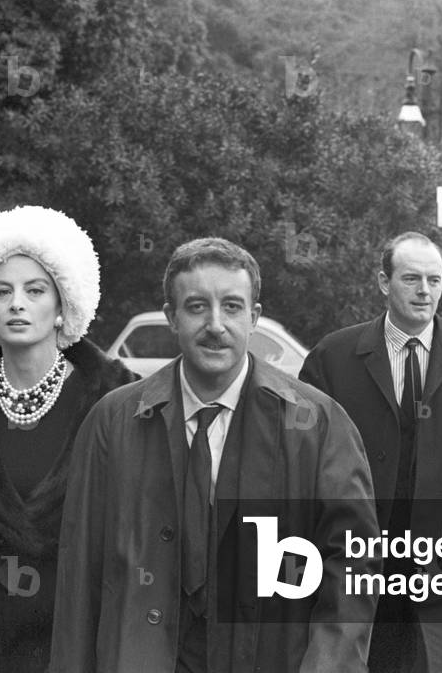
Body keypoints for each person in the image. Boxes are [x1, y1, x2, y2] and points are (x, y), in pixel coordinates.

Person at [53, 237, 380, 673]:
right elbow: (80, 573)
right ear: (171, 317)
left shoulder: (318, 424)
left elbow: (352, 563)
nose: (215, 324)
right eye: (196, 307)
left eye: (231, 306)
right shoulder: (113, 422)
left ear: (254, 317)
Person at [0, 206, 135, 673]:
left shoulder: (114, 395)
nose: (16, 304)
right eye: (2, 291)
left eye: (35, 290)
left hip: (74, 606)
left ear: (62, 301)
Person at [300, 232, 442, 673]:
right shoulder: (332, 358)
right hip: (354, 556)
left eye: (434, 279)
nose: (424, 291)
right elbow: (303, 464)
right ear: (382, 282)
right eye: (411, 278)